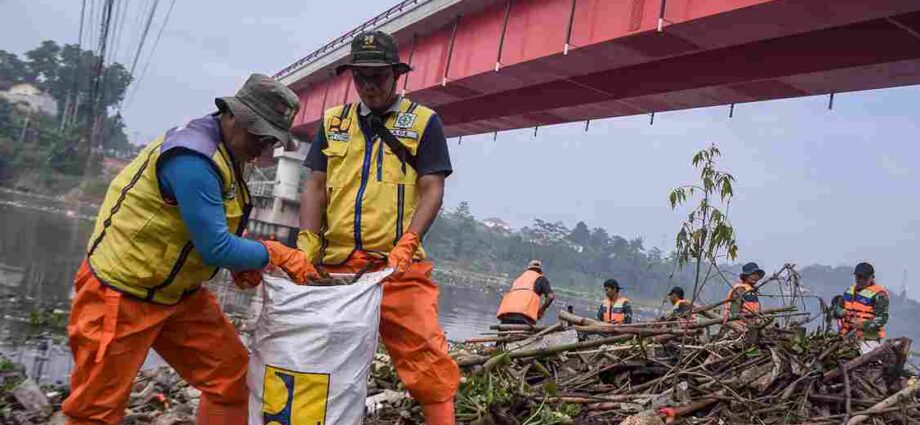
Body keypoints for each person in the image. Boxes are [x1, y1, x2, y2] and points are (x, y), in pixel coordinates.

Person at [63, 74, 315, 425]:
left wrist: (241, 263)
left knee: (233, 383)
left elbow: (210, 228)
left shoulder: (232, 151)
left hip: (178, 296)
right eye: (258, 135)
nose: (263, 148)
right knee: (95, 412)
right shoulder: (194, 159)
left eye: (270, 139)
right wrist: (274, 253)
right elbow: (215, 247)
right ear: (231, 114)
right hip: (121, 295)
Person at [298, 31, 459, 424]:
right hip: (337, 269)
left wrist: (408, 242)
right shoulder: (334, 122)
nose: (369, 86)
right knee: (321, 362)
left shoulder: (423, 122)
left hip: (398, 268)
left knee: (429, 366)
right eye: (361, 77)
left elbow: (432, 187)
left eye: (378, 77)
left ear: (396, 75)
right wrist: (306, 244)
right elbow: (315, 185)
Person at [832, 262, 889, 353]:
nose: (861, 280)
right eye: (859, 277)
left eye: (865, 278)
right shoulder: (848, 292)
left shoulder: (879, 294)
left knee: (867, 362)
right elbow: (836, 313)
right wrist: (839, 312)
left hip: (868, 340)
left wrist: (862, 324)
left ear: (872, 277)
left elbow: (882, 318)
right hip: (846, 338)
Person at [496, 260, 556, 325]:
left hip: (506, 315)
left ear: (528, 269)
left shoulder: (518, 279)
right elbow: (550, 297)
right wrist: (542, 310)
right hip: (524, 316)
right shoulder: (541, 279)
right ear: (540, 271)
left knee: (504, 333)